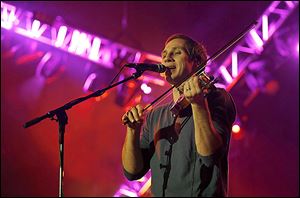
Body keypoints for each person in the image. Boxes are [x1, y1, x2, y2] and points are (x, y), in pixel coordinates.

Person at [121, 34, 236, 197]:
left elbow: (210, 155)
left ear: (196, 63)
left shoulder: (217, 99)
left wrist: (198, 104)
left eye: (177, 52)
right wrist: (132, 131)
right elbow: (132, 172)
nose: (167, 56)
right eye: (164, 54)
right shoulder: (155, 115)